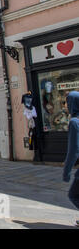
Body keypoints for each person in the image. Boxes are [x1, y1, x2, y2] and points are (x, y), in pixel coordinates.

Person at [63, 91, 79, 227]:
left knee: (73, 195)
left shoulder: (74, 122)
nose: (65, 106)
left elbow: (73, 150)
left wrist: (66, 171)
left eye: (67, 102)